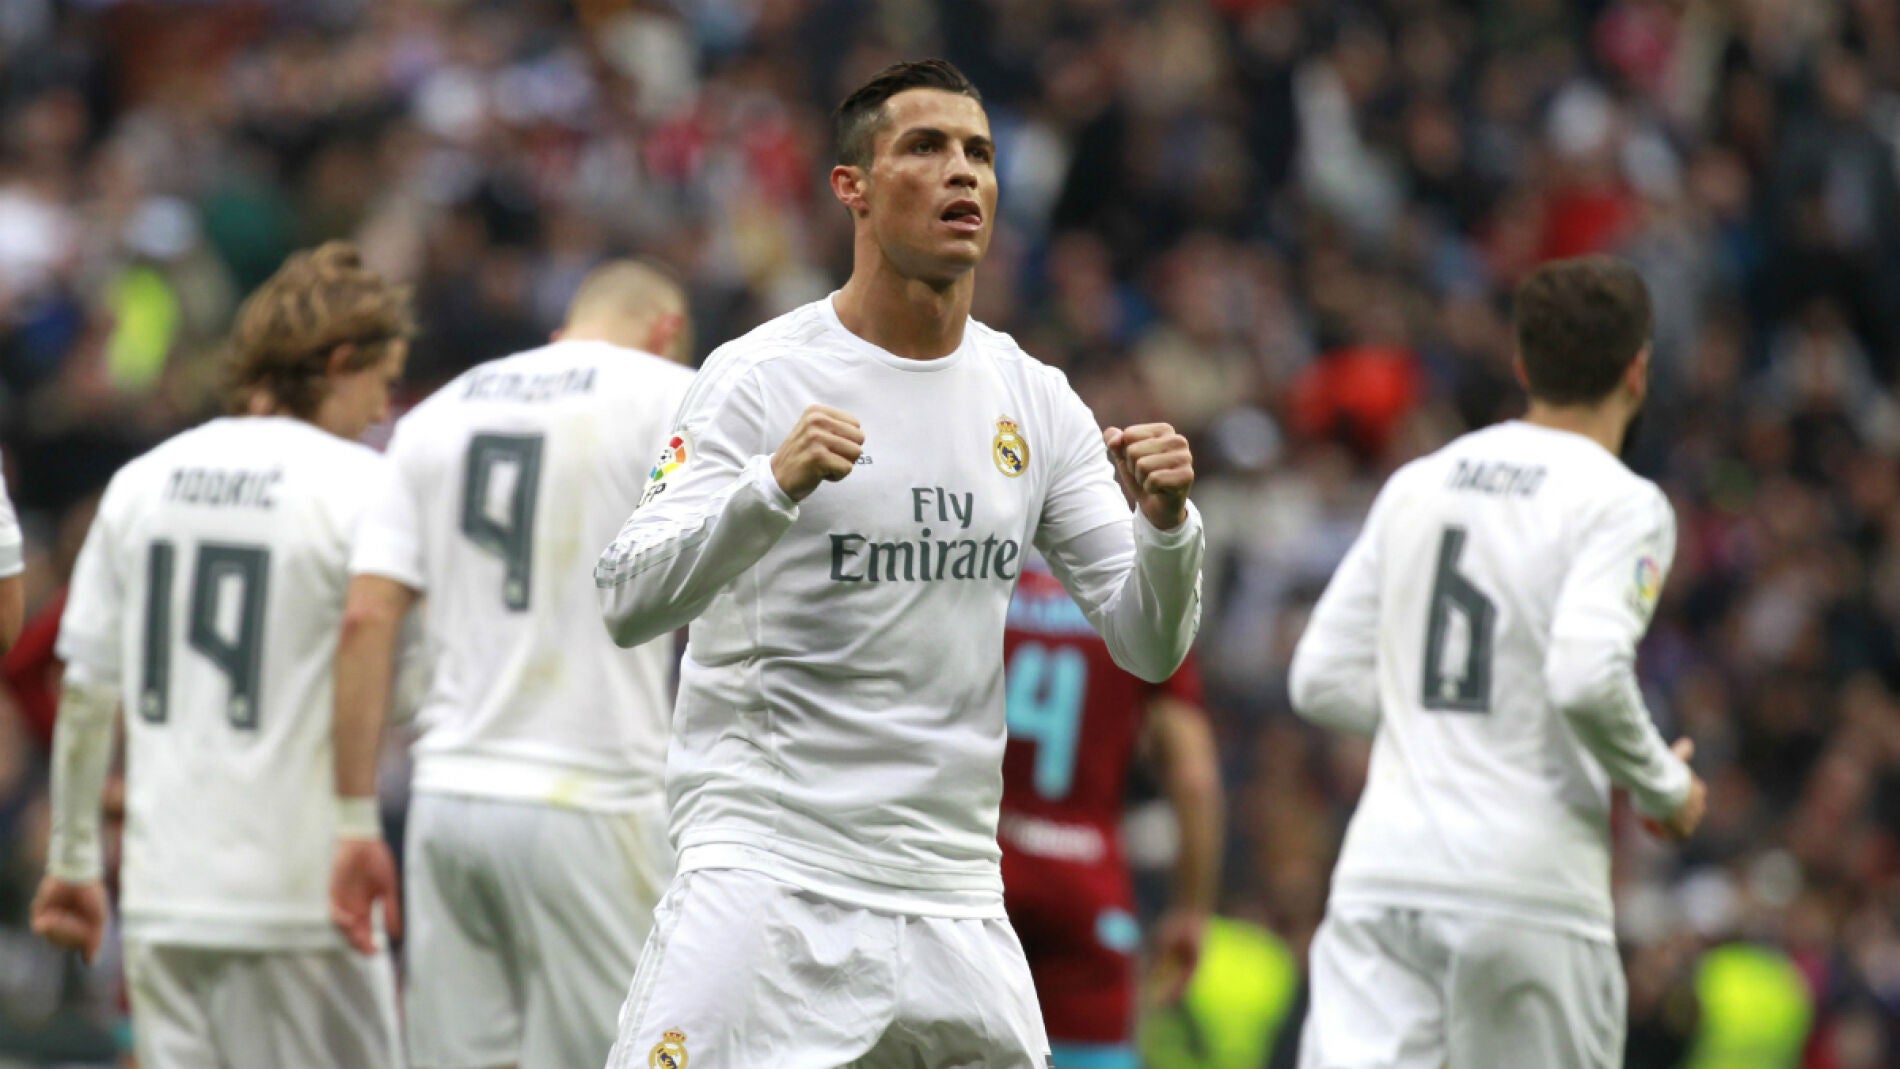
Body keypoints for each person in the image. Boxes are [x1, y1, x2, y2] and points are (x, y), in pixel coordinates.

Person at [594, 58, 1203, 1068]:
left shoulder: (1033, 397)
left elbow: (1148, 641)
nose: (962, 172)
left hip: (954, 891)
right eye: (925, 147)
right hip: (772, 869)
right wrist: (768, 490)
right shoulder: (756, 379)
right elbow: (627, 597)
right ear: (854, 189)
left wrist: (1171, 528)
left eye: (979, 153)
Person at [1288, 254, 1710, 1069]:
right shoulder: (1622, 502)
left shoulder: (1420, 482)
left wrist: (1439, 725)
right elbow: (1586, 674)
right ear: (1638, 370)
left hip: (1386, 873)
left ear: (1522, 365)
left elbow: (1319, 677)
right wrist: (1664, 784)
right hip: (1527, 886)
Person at [30, 242, 413, 1069]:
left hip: (166, 898)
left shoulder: (141, 481)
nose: (381, 410)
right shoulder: (365, 486)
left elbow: (89, 687)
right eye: (381, 385)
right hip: (303, 891)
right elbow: (386, 654)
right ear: (340, 362)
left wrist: (72, 859)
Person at [328, 259, 696, 1069]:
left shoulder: (438, 412)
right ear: (666, 331)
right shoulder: (674, 397)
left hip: (450, 798)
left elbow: (367, 614)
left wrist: (355, 817)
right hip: (595, 794)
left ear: (562, 332)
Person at [998, 553, 1222, 1069]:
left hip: (974, 870)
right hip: (1084, 881)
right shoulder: (1129, 591)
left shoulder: (979, 565)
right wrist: (1191, 909)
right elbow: (1194, 775)